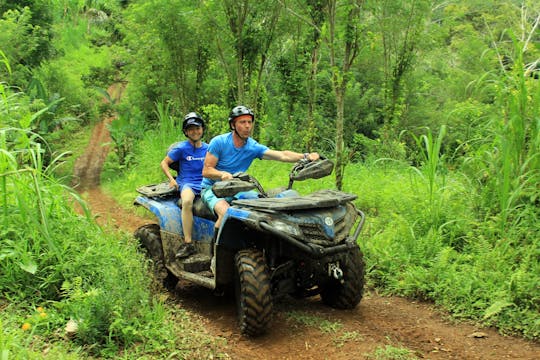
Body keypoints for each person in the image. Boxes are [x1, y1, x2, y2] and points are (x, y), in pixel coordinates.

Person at [201, 105, 319, 230]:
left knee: (262, 208)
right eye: (242, 122)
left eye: (249, 122)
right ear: (233, 125)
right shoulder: (219, 142)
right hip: (212, 189)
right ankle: (217, 248)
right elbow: (206, 170)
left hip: (236, 188)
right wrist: (222, 174)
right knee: (226, 213)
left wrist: (306, 156)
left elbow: (282, 155)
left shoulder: (252, 147)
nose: (247, 126)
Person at [161, 112, 208, 258]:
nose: (195, 131)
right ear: (186, 132)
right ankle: (188, 243)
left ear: (202, 129)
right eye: (191, 129)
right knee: (187, 201)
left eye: (197, 128)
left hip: (205, 182)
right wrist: (171, 179)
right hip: (187, 182)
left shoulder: (209, 148)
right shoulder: (181, 148)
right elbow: (164, 163)